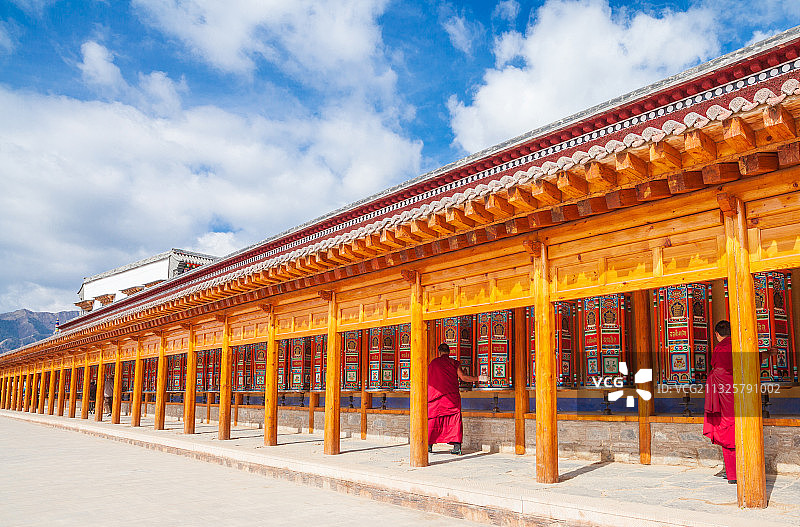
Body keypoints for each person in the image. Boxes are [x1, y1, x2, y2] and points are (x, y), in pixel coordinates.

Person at [427, 342, 486, 455]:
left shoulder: (434, 363)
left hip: (436, 397)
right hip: (451, 397)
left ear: (439, 352)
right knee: (454, 419)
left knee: (434, 418)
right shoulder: (453, 363)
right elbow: (463, 377)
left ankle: (429, 445)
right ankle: (457, 447)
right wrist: (479, 378)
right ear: (449, 352)